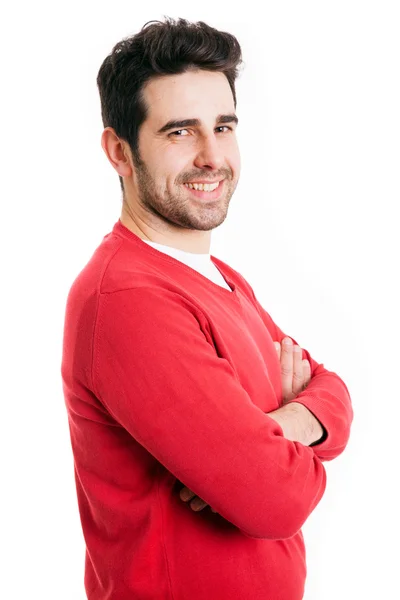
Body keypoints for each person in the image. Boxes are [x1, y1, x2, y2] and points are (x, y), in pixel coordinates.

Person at [61, 16, 353, 600]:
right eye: (179, 132)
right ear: (120, 151)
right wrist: (281, 441)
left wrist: (278, 426)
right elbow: (276, 501)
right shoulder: (128, 299)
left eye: (223, 126)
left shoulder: (221, 279)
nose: (210, 155)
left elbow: (334, 391)